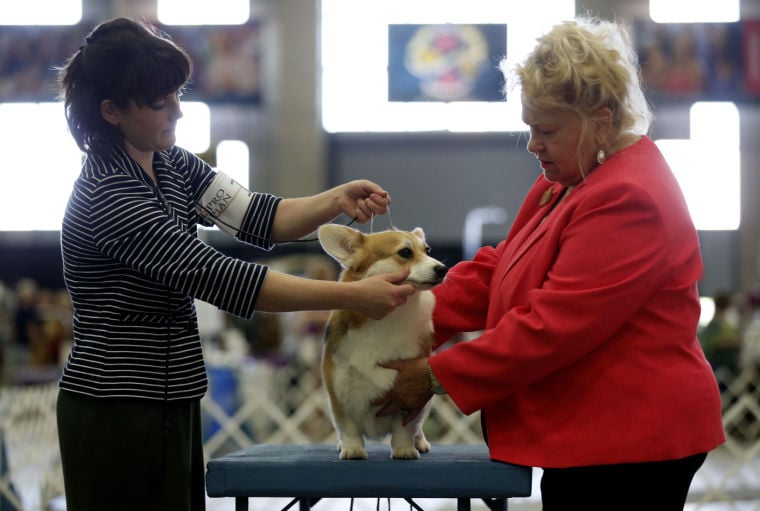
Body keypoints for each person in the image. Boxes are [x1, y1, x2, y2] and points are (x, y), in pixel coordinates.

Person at [54, 17, 415, 511]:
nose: (178, 111)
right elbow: (226, 279)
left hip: (172, 396)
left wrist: (336, 198)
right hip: (114, 410)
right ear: (111, 111)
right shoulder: (109, 195)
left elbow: (257, 216)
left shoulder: (170, 162)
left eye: (178, 93)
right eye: (160, 102)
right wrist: (354, 297)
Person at [374, 17, 725, 510]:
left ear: (601, 119)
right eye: (529, 128)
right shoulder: (572, 175)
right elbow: (501, 268)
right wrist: (401, 308)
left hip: (631, 440)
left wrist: (433, 374)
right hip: (596, 437)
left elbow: (552, 325)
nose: (533, 144)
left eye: (547, 130)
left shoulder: (629, 195)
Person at [699, 291, 742, 386]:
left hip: (730, 364)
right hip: (719, 364)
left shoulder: (727, 324)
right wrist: (730, 342)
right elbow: (710, 345)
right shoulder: (714, 325)